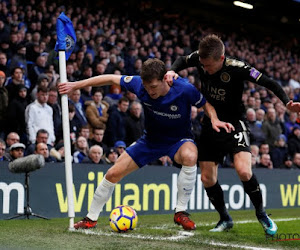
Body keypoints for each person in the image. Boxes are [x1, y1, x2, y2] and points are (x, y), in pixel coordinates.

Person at [58, 58, 234, 231]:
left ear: (165, 79)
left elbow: (205, 104)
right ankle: (91, 219)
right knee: (112, 174)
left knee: (190, 156)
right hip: (150, 141)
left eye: (154, 87)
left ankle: (180, 212)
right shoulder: (139, 85)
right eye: (147, 86)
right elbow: (110, 78)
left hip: (178, 141)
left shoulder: (185, 89)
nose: (150, 91)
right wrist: (75, 85)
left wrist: (215, 119)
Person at [165, 34, 300, 235]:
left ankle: (262, 214)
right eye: (203, 65)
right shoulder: (200, 58)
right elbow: (182, 60)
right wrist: (171, 71)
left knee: (244, 171)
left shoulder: (238, 68)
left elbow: (269, 82)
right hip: (211, 122)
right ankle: (225, 218)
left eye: (209, 66)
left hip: (235, 122)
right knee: (207, 178)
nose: (205, 69)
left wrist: (287, 102)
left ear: (221, 58)